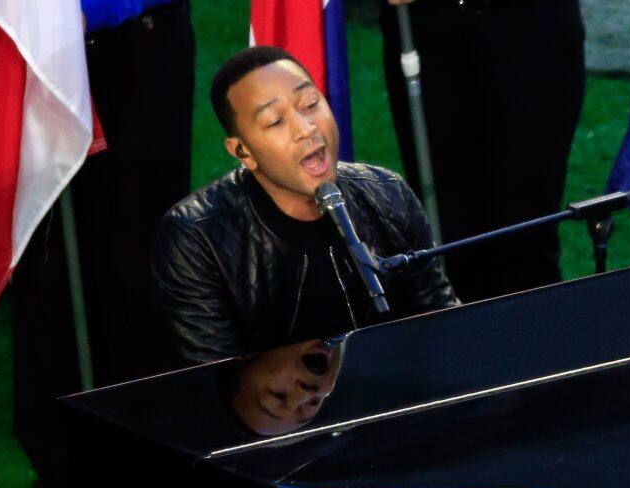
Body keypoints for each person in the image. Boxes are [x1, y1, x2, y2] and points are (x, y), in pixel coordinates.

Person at [151, 46, 458, 372]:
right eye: (275, 121)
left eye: (311, 104)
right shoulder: (196, 239)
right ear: (242, 151)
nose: (306, 129)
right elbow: (218, 380)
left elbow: (442, 321)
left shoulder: (387, 192)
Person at [11, 0, 195, 488]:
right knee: (44, 253)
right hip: (33, 54)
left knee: (144, 248)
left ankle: (153, 434)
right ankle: (62, 457)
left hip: (142, 44)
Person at [380, 0, 585, 302]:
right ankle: (456, 340)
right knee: (447, 234)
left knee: (525, 230)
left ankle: (530, 339)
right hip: (427, 28)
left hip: (532, 29)